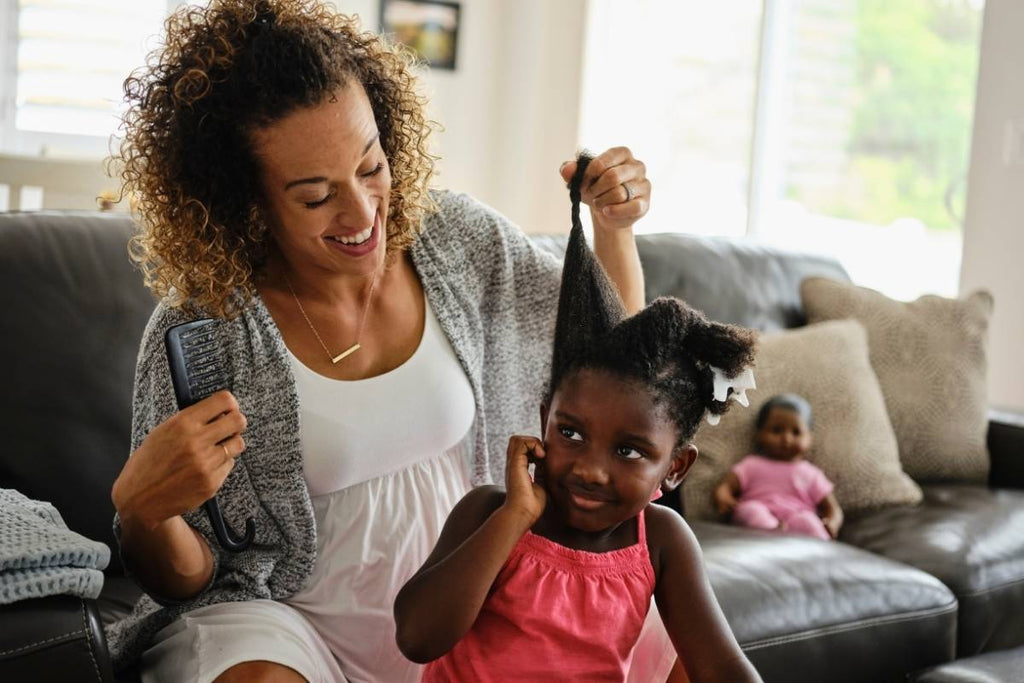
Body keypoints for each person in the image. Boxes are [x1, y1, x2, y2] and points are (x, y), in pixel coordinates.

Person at [106, 1, 655, 681]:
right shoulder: (202, 332)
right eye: (315, 196)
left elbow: (614, 364)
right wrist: (143, 511)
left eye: (371, 166)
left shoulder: (457, 241)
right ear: (246, 201)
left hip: (460, 609)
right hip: (284, 624)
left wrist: (613, 229)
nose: (363, 212)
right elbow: (190, 579)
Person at [393, 155, 763, 682]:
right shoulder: (488, 512)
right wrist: (514, 518)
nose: (590, 468)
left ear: (676, 468)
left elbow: (723, 667)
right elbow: (417, 638)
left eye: (629, 451)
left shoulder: (661, 541)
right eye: (570, 433)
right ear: (544, 419)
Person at [712, 394, 843, 540]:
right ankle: (771, 533)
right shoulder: (751, 465)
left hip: (797, 522)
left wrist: (832, 522)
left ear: (809, 438)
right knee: (749, 510)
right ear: (760, 434)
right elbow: (726, 486)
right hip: (761, 517)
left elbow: (832, 508)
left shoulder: (811, 474)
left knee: (808, 521)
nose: (786, 438)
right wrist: (724, 497)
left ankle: (820, 548)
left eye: (796, 432)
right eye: (777, 430)